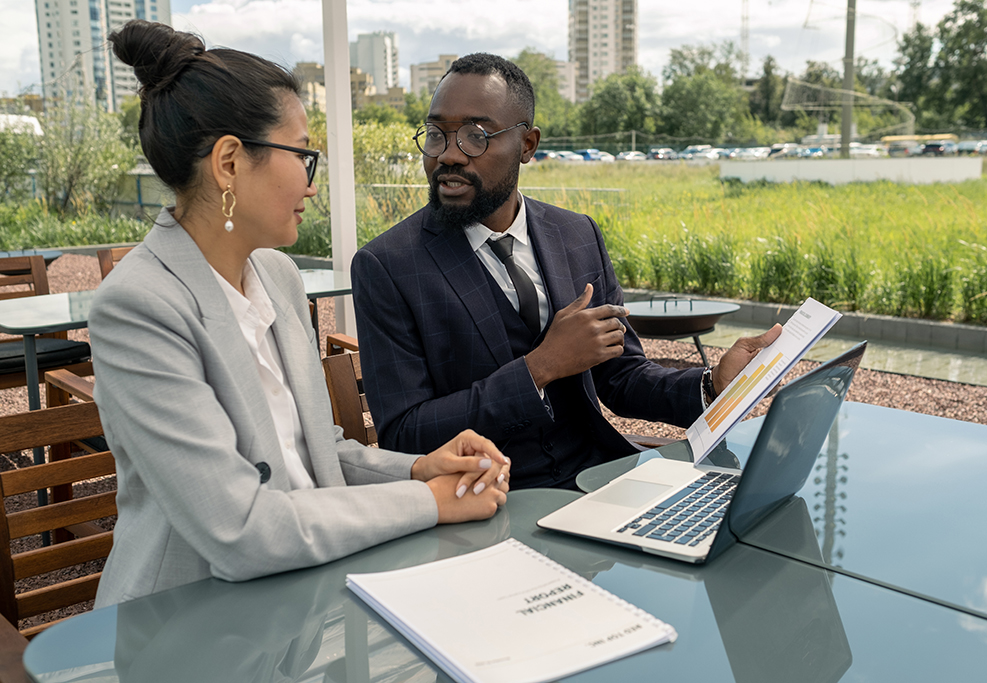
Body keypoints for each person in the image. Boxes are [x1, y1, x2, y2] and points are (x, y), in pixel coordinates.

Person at [89, 21, 509, 608]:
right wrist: (432, 501)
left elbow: (314, 455)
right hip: (185, 623)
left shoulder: (279, 279)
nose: (313, 184)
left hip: (304, 599)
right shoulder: (138, 309)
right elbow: (240, 529)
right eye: (304, 155)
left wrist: (418, 469)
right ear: (230, 162)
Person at [351, 53, 781, 490]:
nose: (449, 155)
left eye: (475, 136)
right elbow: (404, 436)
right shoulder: (387, 266)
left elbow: (620, 377)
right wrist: (539, 367)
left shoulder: (577, 235)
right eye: (437, 134)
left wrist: (711, 385)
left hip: (599, 481)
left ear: (528, 145)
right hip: (485, 506)